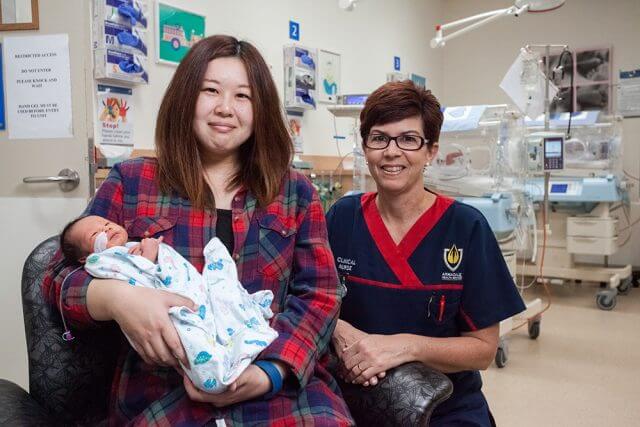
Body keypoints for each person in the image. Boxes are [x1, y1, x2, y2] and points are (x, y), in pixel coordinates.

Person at [43, 35, 353, 426]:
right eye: (210, 90)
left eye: (243, 96)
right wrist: (117, 298)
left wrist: (269, 373)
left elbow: (320, 295)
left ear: (261, 111)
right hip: (166, 391)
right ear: (186, 97)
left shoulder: (295, 191)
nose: (225, 108)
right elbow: (58, 278)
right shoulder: (133, 181)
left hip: (278, 388)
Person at [326, 80, 526, 426]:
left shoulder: (466, 228)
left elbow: (482, 350)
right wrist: (338, 329)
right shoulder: (341, 218)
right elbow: (307, 300)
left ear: (431, 150)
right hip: (353, 396)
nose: (392, 152)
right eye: (379, 138)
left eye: (408, 139)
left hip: (444, 405)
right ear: (365, 147)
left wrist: (405, 346)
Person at [59, 214, 278, 394]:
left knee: (224, 293)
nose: (106, 228)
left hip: (199, 295)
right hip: (161, 373)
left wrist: (274, 372)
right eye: (96, 234)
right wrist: (116, 296)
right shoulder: (103, 259)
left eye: (107, 223)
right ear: (84, 257)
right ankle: (216, 368)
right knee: (193, 337)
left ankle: (240, 333)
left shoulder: (133, 246)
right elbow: (60, 280)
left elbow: (311, 296)